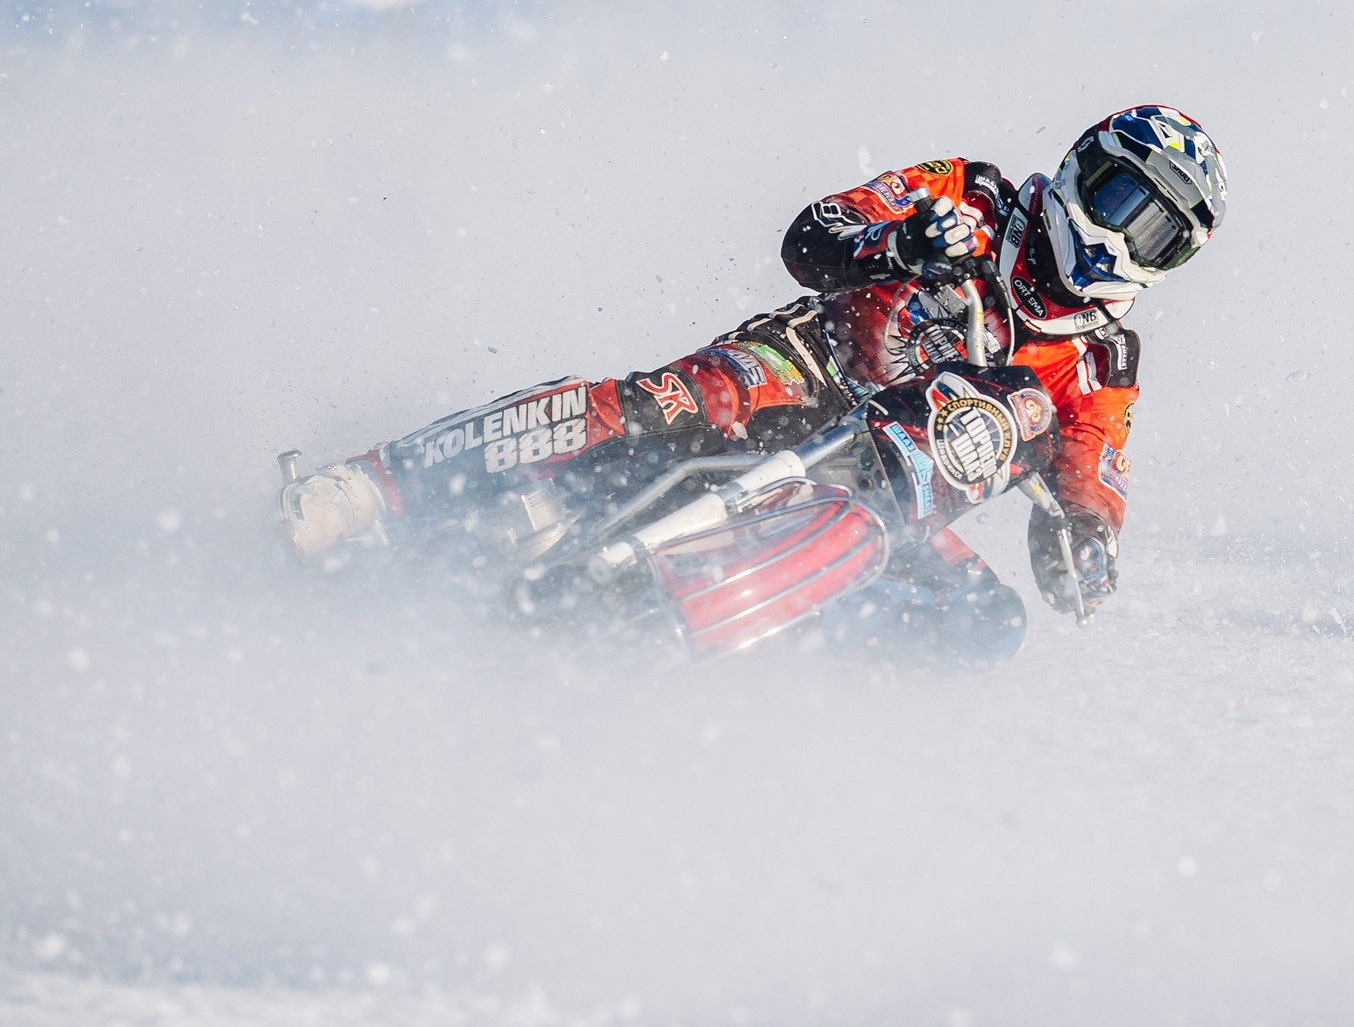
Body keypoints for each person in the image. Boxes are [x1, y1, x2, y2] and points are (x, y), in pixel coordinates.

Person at [283, 105, 1228, 662]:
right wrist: (899, 243)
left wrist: (1086, 541)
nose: (1123, 240)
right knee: (656, 405)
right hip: (802, 375)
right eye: (1122, 202)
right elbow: (813, 235)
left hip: (886, 494)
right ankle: (365, 485)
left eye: (1157, 236)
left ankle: (737, 677)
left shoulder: (1102, 362)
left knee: (982, 625)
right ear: (1081, 169)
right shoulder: (974, 195)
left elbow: (1092, 470)